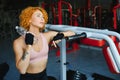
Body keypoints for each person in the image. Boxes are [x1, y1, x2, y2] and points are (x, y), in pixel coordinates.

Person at [13, 6, 75, 80]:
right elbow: (22, 70)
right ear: (29, 19)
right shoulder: (18, 42)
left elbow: (72, 33)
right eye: (38, 16)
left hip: (43, 76)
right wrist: (28, 46)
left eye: (43, 17)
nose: (42, 19)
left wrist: (60, 35)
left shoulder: (47, 35)